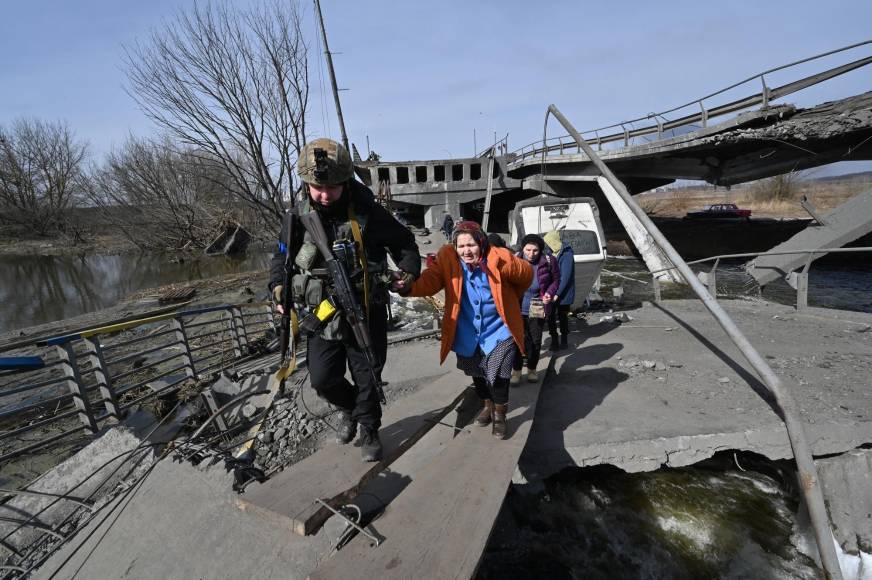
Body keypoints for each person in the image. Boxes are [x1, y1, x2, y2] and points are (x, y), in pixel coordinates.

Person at [269, 138, 420, 462]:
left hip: (365, 309)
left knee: (369, 375)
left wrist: (407, 274)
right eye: (317, 188)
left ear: (346, 182)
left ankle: (369, 429)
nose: (324, 195)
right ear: (306, 184)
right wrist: (278, 288)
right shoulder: (296, 216)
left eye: (332, 188)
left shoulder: (367, 212)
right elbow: (281, 257)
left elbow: (405, 243)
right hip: (322, 312)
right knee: (322, 379)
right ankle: (351, 409)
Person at [395, 221, 532, 439]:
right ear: (455, 247)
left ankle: (500, 415)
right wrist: (407, 286)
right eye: (461, 246)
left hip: (499, 329)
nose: (466, 251)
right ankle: (487, 405)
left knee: (499, 375)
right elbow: (431, 281)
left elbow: (526, 275)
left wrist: (510, 288)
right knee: (477, 373)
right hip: (467, 330)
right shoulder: (447, 258)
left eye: (471, 245)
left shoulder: (498, 256)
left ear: (481, 243)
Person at [511, 233, 560, 384]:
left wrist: (549, 293)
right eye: (528, 250)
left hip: (537, 305)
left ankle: (532, 369)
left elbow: (556, 280)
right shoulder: (515, 259)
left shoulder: (549, 261)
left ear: (540, 250)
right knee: (517, 340)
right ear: (523, 248)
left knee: (535, 340)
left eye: (535, 250)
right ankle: (516, 372)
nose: (531, 254)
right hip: (516, 307)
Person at [544, 230, 575, 351]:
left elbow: (565, 277)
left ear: (554, 241)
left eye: (549, 242)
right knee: (550, 316)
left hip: (564, 292)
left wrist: (557, 293)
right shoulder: (550, 253)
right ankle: (554, 340)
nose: (548, 245)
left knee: (563, 316)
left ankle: (564, 339)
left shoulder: (567, 254)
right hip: (552, 290)